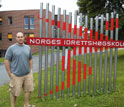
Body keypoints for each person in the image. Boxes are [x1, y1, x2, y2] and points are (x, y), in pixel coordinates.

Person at [4, 32, 35, 107]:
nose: (20, 38)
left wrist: (31, 70)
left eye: (21, 37)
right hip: (16, 75)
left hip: (27, 74)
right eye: (18, 37)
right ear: (16, 38)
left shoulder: (28, 47)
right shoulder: (11, 48)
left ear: (24, 38)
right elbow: (6, 60)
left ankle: (27, 105)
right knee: (14, 92)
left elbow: (30, 59)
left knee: (28, 90)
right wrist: (9, 73)